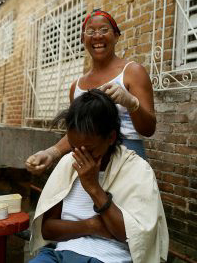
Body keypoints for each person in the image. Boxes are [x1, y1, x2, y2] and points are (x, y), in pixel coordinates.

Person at [29, 89, 168, 263]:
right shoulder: (68, 163)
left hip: (108, 259)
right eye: (73, 147)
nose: (80, 155)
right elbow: (48, 229)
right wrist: (92, 226)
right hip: (59, 255)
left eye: (89, 149)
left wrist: (93, 188)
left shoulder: (138, 171)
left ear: (111, 137)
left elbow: (134, 238)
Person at [26, 9, 156, 175]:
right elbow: (78, 132)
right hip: (88, 162)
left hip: (128, 159)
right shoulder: (77, 86)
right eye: (90, 31)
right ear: (83, 39)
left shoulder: (133, 72)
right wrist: (51, 153)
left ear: (116, 36)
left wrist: (131, 103)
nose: (97, 36)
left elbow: (149, 129)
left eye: (104, 30)